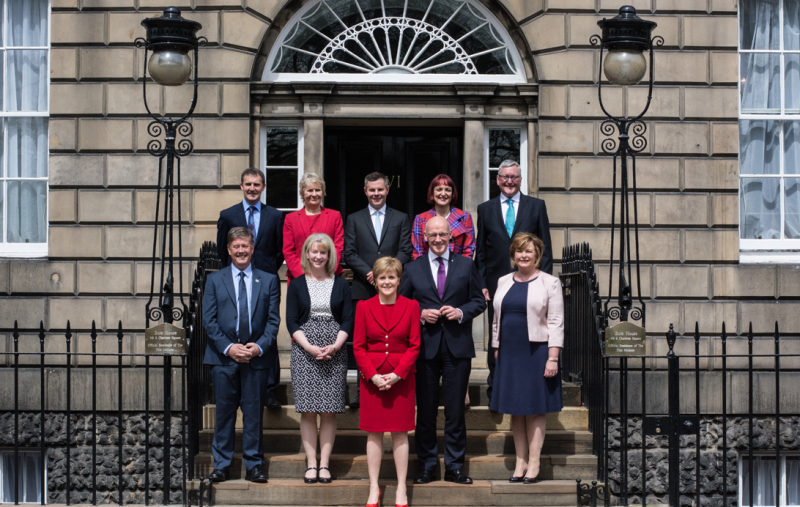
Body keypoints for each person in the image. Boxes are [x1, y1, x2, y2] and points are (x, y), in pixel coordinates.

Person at [399, 216, 485, 485]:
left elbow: (478, 301)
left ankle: (454, 466)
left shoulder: (466, 265)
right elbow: (402, 303)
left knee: (455, 411)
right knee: (425, 412)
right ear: (424, 237)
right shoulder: (412, 269)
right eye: (432, 235)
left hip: (457, 347)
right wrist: (421, 313)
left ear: (451, 236)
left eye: (442, 235)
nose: (438, 239)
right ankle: (426, 466)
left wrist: (460, 312)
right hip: (424, 348)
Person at [202, 227, 281, 484]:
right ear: (228, 250)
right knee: (224, 414)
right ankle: (222, 465)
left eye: (245, 246)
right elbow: (209, 320)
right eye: (236, 247)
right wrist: (229, 347)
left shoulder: (268, 280)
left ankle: (254, 465)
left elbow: (273, 322)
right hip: (223, 359)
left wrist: (258, 347)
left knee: (253, 414)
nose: (241, 251)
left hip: (256, 359)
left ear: (252, 248)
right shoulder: (215, 280)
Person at [475, 159, 553, 403]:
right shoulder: (485, 209)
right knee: (497, 336)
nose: (510, 181)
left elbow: (546, 248)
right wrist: (482, 284)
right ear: (497, 180)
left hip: (531, 283)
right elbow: (481, 251)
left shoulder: (536, 206)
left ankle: (525, 385)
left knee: (527, 335)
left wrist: (546, 285)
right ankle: (495, 389)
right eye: (505, 177)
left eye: (514, 177)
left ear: (521, 180)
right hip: (498, 285)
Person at [489, 232, 563, 484]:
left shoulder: (550, 283)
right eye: (519, 251)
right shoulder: (503, 281)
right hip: (509, 352)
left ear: (537, 255)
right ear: (513, 255)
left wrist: (553, 358)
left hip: (536, 351)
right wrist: (496, 347)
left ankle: (534, 462)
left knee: (534, 409)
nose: (523, 255)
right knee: (515, 410)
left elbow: (555, 321)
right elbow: (496, 319)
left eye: (529, 251)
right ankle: (519, 462)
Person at [285, 233, 354, 484]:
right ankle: (311, 465)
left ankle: (325, 465)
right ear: (306, 254)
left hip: (334, 349)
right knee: (308, 411)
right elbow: (291, 321)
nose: (318, 256)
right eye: (313, 251)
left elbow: (348, 319)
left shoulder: (342, 284)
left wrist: (335, 346)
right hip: (305, 350)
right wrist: (311, 348)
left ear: (329, 255)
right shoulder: (296, 284)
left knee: (328, 411)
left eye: (322, 252)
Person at [353, 257, 420, 507]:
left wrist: (397, 374)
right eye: (382, 277)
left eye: (392, 277)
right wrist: (372, 375)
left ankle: (401, 486)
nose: (387, 281)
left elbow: (414, 346)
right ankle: (374, 487)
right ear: (375, 281)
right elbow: (359, 347)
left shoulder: (412, 306)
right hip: (373, 379)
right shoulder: (363, 306)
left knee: (401, 434)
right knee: (374, 434)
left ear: (399, 280)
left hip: (402, 379)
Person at [216, 167, 284, 409]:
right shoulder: (228, 214)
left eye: (257, 184)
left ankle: (269, 390)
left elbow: (278, 252)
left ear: (263, 187)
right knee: (236, 328)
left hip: (264, 282)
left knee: (267, 331)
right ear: (241, 186)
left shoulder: (275, 216)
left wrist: (264, 275)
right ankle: (238, 382)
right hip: (236, 283)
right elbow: (220, 251)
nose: (253, 188)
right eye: (248, 184)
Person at [343, 171, 413, 409]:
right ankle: (362, 393)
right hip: (364, 287)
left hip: (393, 290)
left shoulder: (401, 218)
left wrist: (387, 272)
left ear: (387, 190)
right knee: (362, 343)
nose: (376, 194)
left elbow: (406, 250)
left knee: (392, 341)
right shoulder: (354, 218)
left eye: (380, 189)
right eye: (371, 190)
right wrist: (370, 273)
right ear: (365, 191)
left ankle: (393, 385)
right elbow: (349, 253)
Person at [283, 173, 345, 284]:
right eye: (310, 190)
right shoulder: (290, 219)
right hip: (299, 279)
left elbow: (338, 247)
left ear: (323, 192)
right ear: (302, 193)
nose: (314, 194)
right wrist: (304, 277)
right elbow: (288, 251)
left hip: (329, 278)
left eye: (318, 190)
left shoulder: (335, 216)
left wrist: (326, 274)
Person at [411, 174, 475, 260]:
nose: (443, 193)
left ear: (452, 193)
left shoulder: (464, 217)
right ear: (432, 192)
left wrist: (460, 270)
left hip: (458, 269)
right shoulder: (420, 219)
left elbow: (468, 250)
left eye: (448, 190)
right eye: (439, 189)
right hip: (428, 269)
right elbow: (418, 252)